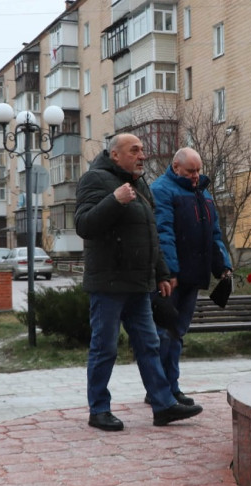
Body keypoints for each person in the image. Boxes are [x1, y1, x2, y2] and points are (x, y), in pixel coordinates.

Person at [75, 133, 203, 431]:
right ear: (115, 154)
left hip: (139, 284)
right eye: (135, 150)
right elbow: (84, 225)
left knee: (150, 345)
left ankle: (163, 405)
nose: (142, 155)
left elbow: (150, 234)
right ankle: (99, 410)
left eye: (143, 150)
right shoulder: (94, 179)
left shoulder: (139, 183)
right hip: (108, 284)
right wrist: (114, 201)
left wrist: (162, 273)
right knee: (105, 348)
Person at [150, 148, 232, 405]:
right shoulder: (161, 190)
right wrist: (170, 272)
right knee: (164, 334)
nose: (196, 175)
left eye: (198, 170)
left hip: (194, 275)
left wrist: (223, 266)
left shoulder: (203, 193)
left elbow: (214, 233)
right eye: (190, 171)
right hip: (171, 278)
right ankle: (161, 391)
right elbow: (163, 234)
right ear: (176, 167)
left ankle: (170, 388)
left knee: (177, 333)